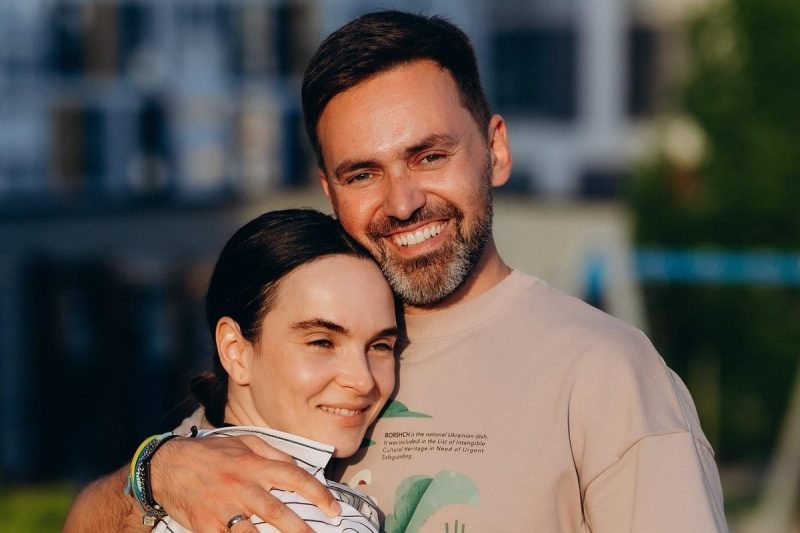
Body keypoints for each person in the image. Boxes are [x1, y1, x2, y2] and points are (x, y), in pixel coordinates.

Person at [65, 10, 728, 532]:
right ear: (329, 190)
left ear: (495, 150)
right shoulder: (292, 350)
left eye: (429, 156)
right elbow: (97, 517)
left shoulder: (603, 372)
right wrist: (155, 471)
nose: (403, 201)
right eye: (363, 173)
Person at [147, 209, 398, 532]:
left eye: (380, 346)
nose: (362, 380)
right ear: (235, 350)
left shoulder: (169, 498)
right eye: (321, 342)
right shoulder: (302, 517)